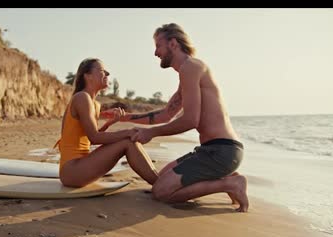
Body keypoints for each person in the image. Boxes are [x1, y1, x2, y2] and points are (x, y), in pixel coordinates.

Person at [105, 23, 249, 212]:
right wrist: (125, 118)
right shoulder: (187, 71)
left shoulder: (191, 67)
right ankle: (224, 177)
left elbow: (191, 120)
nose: (156, 53)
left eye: (158, 46)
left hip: (222, 152)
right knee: (160, 179)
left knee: (160, 192)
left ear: (173, 44)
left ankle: (230, 184)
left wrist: (152, 133)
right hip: (210, 151)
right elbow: (166, 114)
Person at [55, 58, 158, 188]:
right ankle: (160, 183)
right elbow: (94, 137)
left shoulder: (94, 103)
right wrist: (127, 132)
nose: (108, 74)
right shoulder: (82, 98)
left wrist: (109, 124)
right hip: (72, 170)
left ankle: (158, 180)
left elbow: (90, 139)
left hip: (81, 166)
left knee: (129, 140)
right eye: (103, 71)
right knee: (128, 141)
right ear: (88, 76)